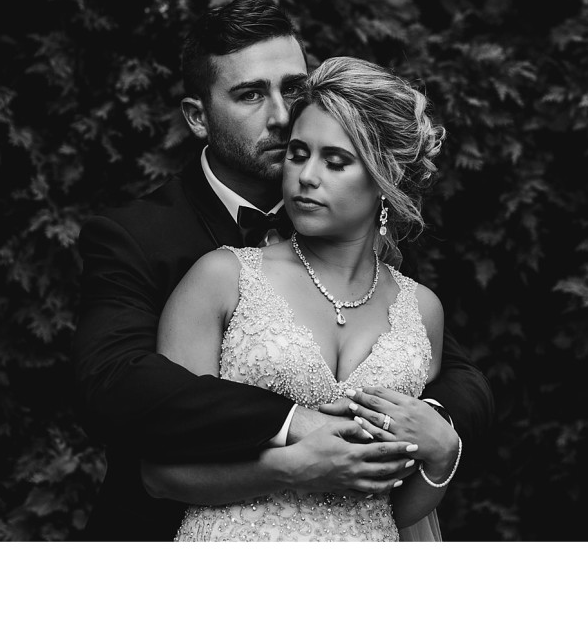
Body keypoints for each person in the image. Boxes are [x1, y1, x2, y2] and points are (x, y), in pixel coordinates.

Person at [73, 0, 493, 540]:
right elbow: (116, 383)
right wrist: (295, 428)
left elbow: (457, 375)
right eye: (250, 94)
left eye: (292, 88)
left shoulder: (357, 233)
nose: (279, 115)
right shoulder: (144, 239)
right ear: (198, 117)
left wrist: (435, 434)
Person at [146, 56, 456, 540]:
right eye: (297, 153)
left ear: (383, 180)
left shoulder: (422, 311)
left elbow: (395, 511)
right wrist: (292, 467)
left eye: (335, 162)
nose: (306, 176)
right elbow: (161, 473)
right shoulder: (222, 279)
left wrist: (442, 455)